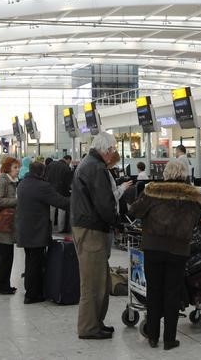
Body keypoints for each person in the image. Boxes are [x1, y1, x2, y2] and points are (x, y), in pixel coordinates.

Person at [129, 158, 201, 350]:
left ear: (166, 172)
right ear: (185, 173)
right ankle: (169, 340)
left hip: (153, 247)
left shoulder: (152, 190)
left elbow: (135, 211)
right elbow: (196, 221)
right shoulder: (192, 196)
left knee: (153, 292)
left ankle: (153, 336)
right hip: (178, 250)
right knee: (172, 294)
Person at [71, 132, 120, 340]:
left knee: (99, 279)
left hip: (86, 226)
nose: (114, 154)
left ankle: (96, 322)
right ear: (106, 150)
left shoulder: (87, 163)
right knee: (92, 282)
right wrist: (117, 222)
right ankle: (89, 327)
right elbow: (104, 204)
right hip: (91, 229)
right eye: (113, 150)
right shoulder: (96, 167)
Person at [16, 161, 69, 304]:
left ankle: (31, 290)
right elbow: (60, 202)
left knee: (30, 260)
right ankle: (33, 294)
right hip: (36, 230)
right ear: (42, 172)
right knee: (36, 262)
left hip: (24, 229)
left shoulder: (22, 183)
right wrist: (79, 201)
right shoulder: (42, 186)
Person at [0, 157, 20, 295]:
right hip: (3, 223)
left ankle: (4, 284)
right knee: (5, 256)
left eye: (18, 167)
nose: (18, 170)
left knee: (7, 255)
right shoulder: (2, 180)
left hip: (8, 223)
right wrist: (16, 201)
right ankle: (1, 286)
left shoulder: (10, 181)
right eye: (15, 168)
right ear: (7, 168)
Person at [46, 154, 73, 232]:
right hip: (62, 192)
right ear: (68, 160)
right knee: (61, 210)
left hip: (51, 191)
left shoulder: (51, 164)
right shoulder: (66, 168)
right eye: (69, 161)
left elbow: (46, 177)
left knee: (51, 210)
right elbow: (68, 182)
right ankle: (60, 229)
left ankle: (50, 228)